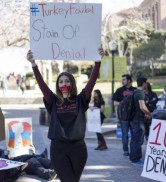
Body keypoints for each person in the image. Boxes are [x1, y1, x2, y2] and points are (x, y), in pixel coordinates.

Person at [26, 47, 104, 182]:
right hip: (58, 149)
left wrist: (97, 62)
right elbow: (42, 85)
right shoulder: (53, 101)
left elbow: (91, 82)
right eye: (61, 81)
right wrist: (33, 64)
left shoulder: (81, 100)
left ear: (72, 83)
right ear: (58, 85)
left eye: (67, 81)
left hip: (78, 149)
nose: (64, 83)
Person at [112, 74, 136, 156]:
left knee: (134, 134)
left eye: (124, 79)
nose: (122, 81)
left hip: (134, 116)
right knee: (125, 135)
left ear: (129, 80)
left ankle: (133, 150)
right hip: (124, 116)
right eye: (122, 79)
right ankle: (126, 150)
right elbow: (114, 102)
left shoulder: (135, 90)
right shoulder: (119, 90)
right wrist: (124, 104)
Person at [129, 77, 151, 166]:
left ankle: (132, 157)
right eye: (146, 83)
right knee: (138, 139)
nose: (147, 85)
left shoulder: (135, 92)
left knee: (134, 139)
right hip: (138, 120)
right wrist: (149, 114)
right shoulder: (140, 93)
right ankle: (136, 159)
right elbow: (142, 106)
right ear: (144, 83)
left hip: (134, 119)